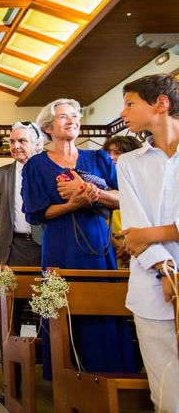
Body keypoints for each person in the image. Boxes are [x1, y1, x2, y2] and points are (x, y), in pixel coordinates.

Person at [22, 98, 137, 379]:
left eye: (75, 116)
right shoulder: (36, 165)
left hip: (97, 242)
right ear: (48, 127)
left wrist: (92, 192)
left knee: (103, 301)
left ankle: (109, 373)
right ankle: (67, 374)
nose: (71, 120)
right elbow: (35, 213)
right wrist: (73, 204)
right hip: (60, 243)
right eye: (63, 117)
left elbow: (125, 197)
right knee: (65, 307)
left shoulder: (97, 159)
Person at [117, 74, 179, 411]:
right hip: (151, 280)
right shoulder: (130, 163)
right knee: (164, 381)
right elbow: (134, 226)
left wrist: (155, 233)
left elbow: (144, 233)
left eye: (130, 104)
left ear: (161, 103)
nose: (124, 114)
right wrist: (164, 270)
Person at [0, 122, 44, 272]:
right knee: (12, 295)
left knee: (45, 293)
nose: (15, 146)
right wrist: (3, 234)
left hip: (44, 245)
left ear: (36, 145)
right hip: (11, 249)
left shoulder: (48, 173)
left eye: (22, 141)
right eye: (12, 141)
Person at [101, 135, 142, 268]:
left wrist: (130, 245)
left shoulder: (143, 184)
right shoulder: (100, 185)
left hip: (142, 245)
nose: (111, 157)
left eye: (117, 153)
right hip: (107, 246)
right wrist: (118, 246)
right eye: (108, 153)